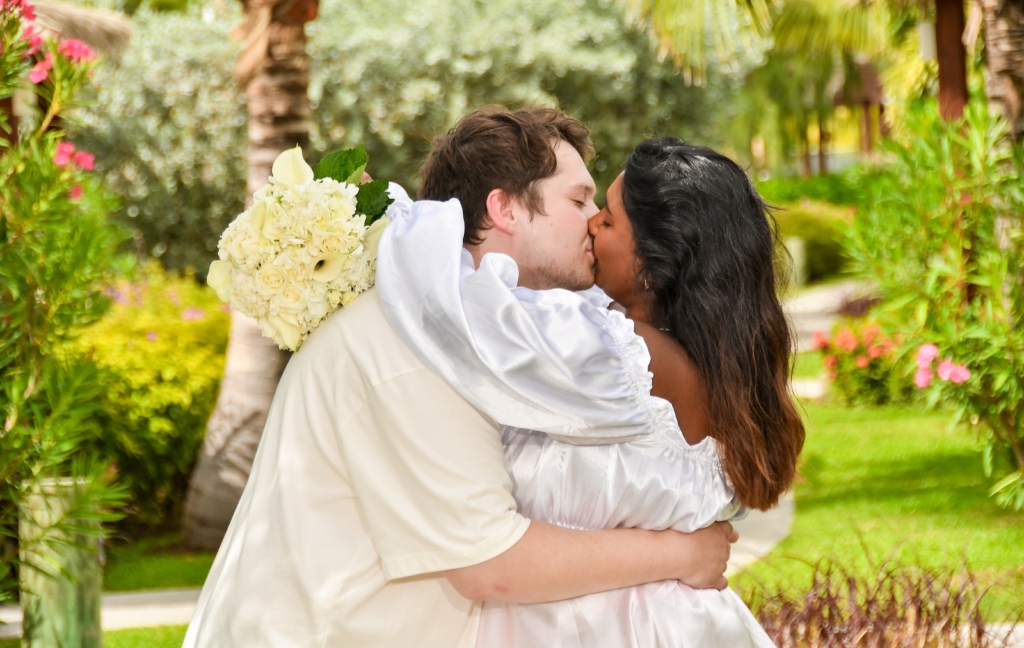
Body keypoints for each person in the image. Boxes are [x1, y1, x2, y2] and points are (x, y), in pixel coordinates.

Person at [183, 108, 737, 648]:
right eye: (578, 199)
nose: (595, 220)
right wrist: (684, 554)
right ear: (505, 209)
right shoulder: (417, 339)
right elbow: (489, 562)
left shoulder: (477, 338)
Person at [377, 137, 805, 646]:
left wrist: (394, 221)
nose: (591, 223)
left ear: (653, 259)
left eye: (609, 218)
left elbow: (467, 312)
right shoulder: (720, 374)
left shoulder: (621, 355)